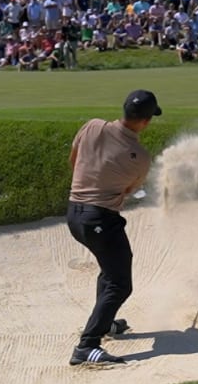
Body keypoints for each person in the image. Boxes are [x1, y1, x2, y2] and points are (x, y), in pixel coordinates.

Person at [67, 89, 162, 366]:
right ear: (145, 122)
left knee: (110, 270)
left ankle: (105, 324)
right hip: (101, 220)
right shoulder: (139, 156)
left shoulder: (92, 126)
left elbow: (74, 161)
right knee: (120, 284)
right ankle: (87, 346)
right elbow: (128, 189)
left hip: (74, 213)